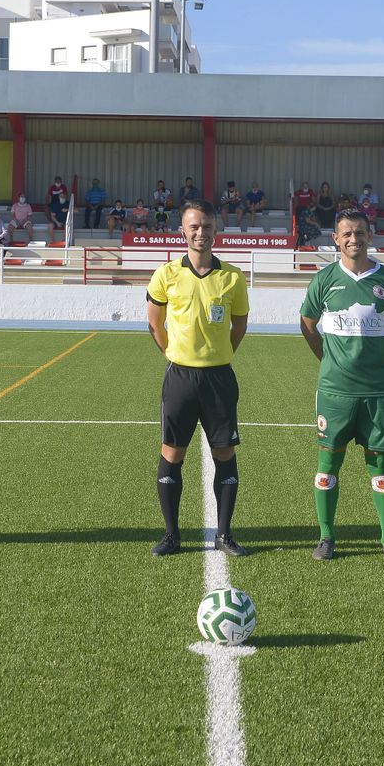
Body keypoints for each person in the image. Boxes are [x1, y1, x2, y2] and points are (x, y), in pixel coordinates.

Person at [299, 208, 384, 564]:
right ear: (335, 238)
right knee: (327, 465)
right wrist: (329, 359)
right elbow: (307, 322)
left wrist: (380, 358)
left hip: (377, 391)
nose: (353, 238)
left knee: (380, 466)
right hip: (334, 391)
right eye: (346, 233)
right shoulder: (324, 279)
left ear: (369, 236)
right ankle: (326, 536)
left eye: (359, 232)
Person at [145, 198, 251, 557]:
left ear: (216, 230)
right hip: (180, 378)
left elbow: (239, 325)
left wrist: (220, 354)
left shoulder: (232, 277)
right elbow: (154, 324)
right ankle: (172, 535)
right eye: (193, 226)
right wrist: (175, 355)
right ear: (182, 231)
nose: (200, 232)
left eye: (206, 226)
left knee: (224, 452)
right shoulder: (166, 275)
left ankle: (224, 534)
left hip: (219, 378)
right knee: (172, 453)